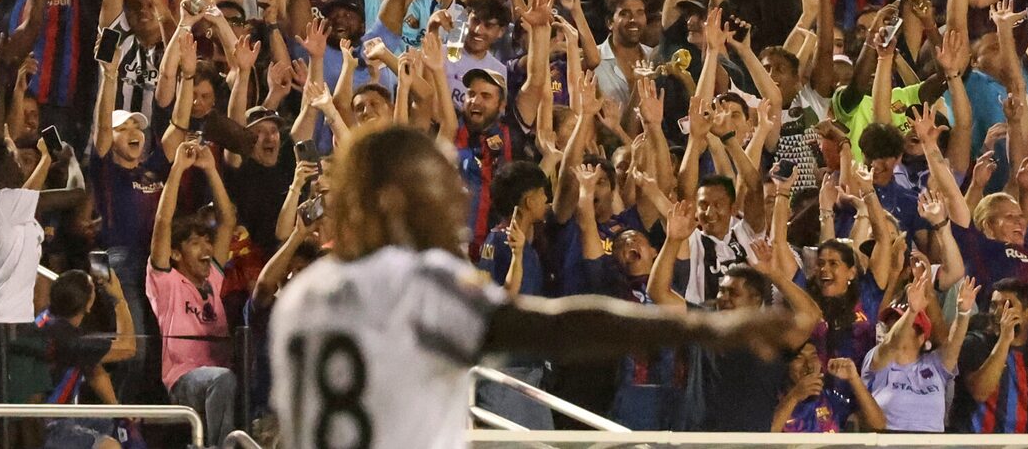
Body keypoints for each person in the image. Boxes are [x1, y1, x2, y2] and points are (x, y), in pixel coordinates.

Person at [269, 125, 805, 449]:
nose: (455, 203)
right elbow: (557, 326)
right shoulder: (416, 284)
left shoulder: (301, 296)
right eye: (436, 190)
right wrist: (702, 325)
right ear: (391, 200)